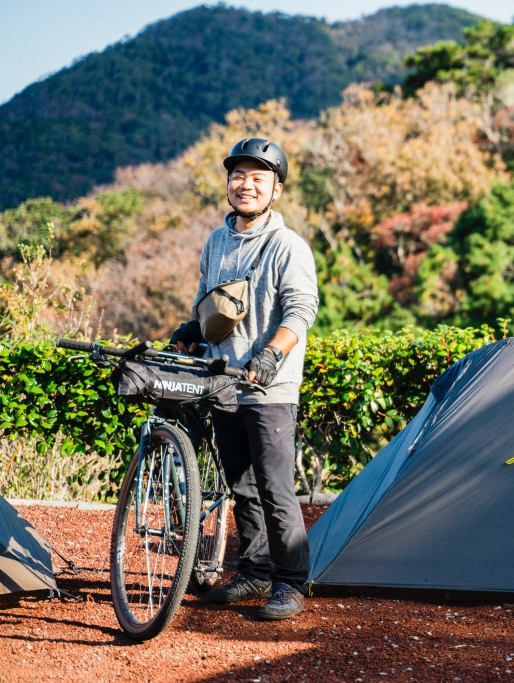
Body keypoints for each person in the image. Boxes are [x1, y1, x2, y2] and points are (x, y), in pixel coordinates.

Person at [170, 138, 319, 620]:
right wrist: (192, 328)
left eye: (259, 178)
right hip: (223, 381)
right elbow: (205, 298)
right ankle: (254, 573)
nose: (246, 184)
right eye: (239, 175)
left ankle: (291, 583)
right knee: (242, 485)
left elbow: (301, 310)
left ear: (276, 190)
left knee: (275, 487)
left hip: (269, 387)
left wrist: (272, 355)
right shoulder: (216, 240)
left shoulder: (287, 245)